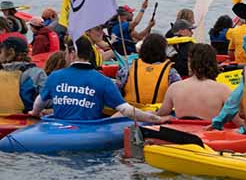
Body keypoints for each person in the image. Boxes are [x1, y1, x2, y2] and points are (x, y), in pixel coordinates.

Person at [30, 36, 168, 123]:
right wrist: (155, 119)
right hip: (89, 130)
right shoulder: (104, 81)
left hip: (57, 128)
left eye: (66, 52)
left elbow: (38, 104)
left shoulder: (55, 76)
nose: (65, 55)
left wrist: (35, 114)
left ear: (72, 53)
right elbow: (126, 110)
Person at [157, 44, 232, 120]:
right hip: (209, 127)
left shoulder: (174, 88)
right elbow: (236, 119)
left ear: (191, 63)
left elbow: (160, 115)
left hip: (181, 127)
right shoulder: (223, 90)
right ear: (214, 63)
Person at [117, 33, 181, 107]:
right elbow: (178, 94)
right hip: (159, 111)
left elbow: (116, 90)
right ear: (163, 51)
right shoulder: (171, 72)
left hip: (132, 110)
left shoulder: (128, 69)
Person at [0, 36, 46, 112]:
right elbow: (46, 98)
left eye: (0, 52)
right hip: (26, 117)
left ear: (11, 52)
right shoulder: (37, 73)